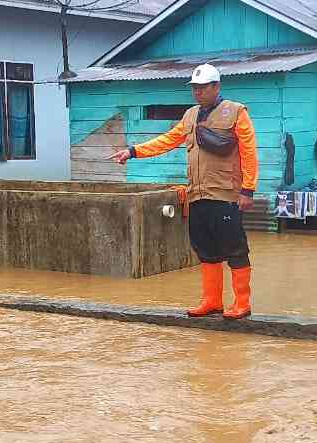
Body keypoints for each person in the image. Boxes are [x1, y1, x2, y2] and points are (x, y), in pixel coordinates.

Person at [110, 64, 260, 319]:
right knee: (206, 250)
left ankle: (242, 304)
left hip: (225, 194)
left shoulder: (236, 112)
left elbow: (249, 152)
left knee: (235, 249)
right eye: (194, 88)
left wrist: (248, 190)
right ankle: (212, 301)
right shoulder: (190, 115)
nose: (198, 93)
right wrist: (134, 151)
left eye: (203, 88)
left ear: (216, 87)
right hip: (196, 195)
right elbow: (168, 140)